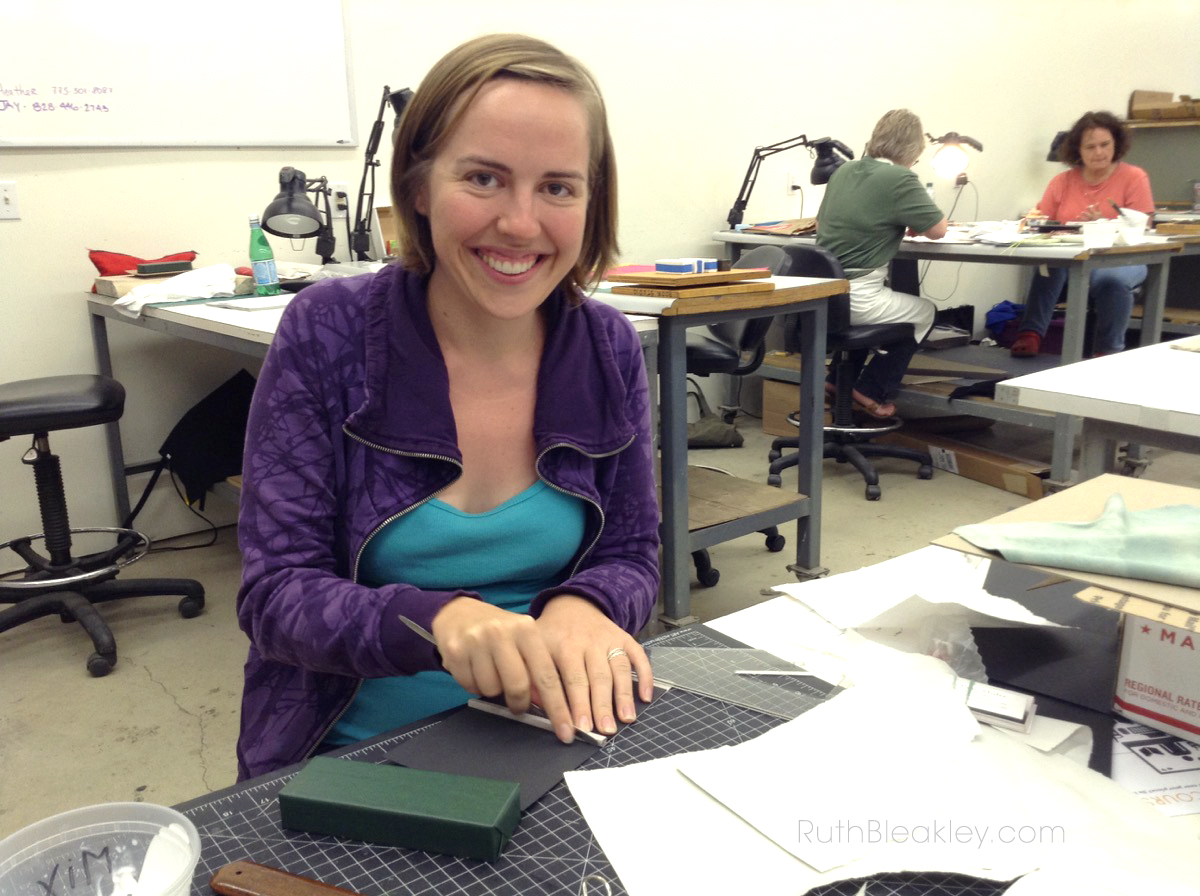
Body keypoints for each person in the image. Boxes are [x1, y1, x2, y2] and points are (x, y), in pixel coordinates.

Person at [234, 34, 660, 781]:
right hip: (355, 755)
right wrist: (437, 621)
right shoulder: (330, 333)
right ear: (420, 187)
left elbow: (632, 554)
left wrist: (586, 605)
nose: (522, 224)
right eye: (485, 178)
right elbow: (275, 596)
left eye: (558, 187)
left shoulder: (606, 345)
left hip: (561, 741)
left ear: (591, 204)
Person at [815, 109, 947, 419]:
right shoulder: (900, 177)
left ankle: (836, 381)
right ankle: (872, 390)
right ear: (912, 151)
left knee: (875, 315)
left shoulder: (844, 172)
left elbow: (823, 226)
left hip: (825, 294)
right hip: (859, 296)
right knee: (925, 312)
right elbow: (938, 229)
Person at [1010, 111, 1154, 358]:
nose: (1099, 152)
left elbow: (1142, 225)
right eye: (1090, 146)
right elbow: (1042, 220)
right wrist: (1035, 220)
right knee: (1050, 264)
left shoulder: (1134, 177)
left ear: (1116, 144)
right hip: (1073, 258)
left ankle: (1108, 352)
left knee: (1112, 281)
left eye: (1104, 145)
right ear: (1078, 150)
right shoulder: (1062, 182)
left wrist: (1104, 224)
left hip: (1121, 258)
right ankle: (1031, 334)